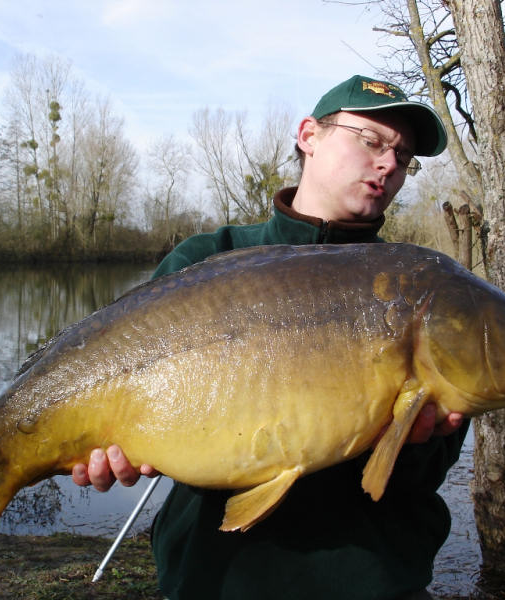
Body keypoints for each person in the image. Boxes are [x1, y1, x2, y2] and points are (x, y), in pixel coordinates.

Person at [73, 75, 468, 600]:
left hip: (370, 579)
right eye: (371, 141)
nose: (389, 164)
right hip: (214, 578)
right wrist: (110, 449)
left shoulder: (420, 291)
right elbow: (147, 421)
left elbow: (428, 473)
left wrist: (411, 441)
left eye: (404, 156)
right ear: (310, 135)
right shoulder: (206, 259)